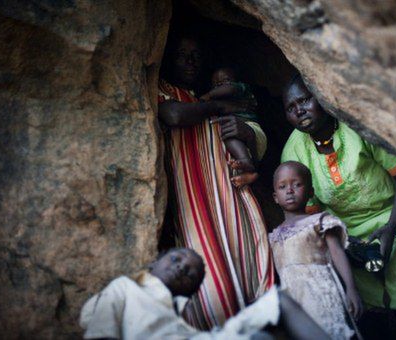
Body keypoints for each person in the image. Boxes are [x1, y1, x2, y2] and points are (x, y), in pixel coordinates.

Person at [281, 74, 396, 339]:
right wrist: (347, 244)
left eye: (305, 99)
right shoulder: (294, 152)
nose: (300, 110)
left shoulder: (356, 125)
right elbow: (310, 216)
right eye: (290, 107)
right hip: (345, 234)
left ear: (321, 96)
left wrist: (390, 230)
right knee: (348, 288)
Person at [157, 34, 274, 329]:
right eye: (182, 54)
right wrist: (219, 108)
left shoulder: (216, 93)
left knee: (250, 262)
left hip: (233, 195)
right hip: (191, 201)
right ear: (169, 59)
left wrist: (245, 131)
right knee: (209, 281)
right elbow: (173, 115)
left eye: (196, 54)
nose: (190, 61)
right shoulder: (165, 91)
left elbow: (255, 136)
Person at [80, 248, 330, 340]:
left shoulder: (177, 319)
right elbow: (100, 334)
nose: (181, 267)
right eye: (176, 258)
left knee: (276, 309)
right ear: (153, 263)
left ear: (191, 292)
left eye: (190, 273)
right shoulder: (125, 288)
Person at [270, 161, 362, 339]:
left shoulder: (319, 221)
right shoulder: (273, 236)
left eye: (297, 184)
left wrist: (351, 288)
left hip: (323, 294)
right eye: (283, 187)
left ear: (310, 192)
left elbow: (337, 253)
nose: (290, 190)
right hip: (294, 300)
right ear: (275, 197)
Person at [200, 66, 259, 187]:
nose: (220, 86)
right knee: (229, 135)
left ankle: (246, 162)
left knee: (230, 134)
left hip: (251, 127)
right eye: (216, 84)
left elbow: (229, 89)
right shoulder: (221, 104)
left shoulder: (241, 88)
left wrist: (208, 95)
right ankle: (249, 173)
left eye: (225, 81)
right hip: (240, 136)